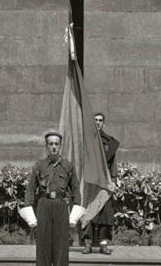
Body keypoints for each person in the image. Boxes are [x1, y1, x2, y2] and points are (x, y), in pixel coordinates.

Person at [23, 132, 82, 266]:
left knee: (61, 244)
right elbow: (30, 189)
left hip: (61, 205)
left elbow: (76, 189)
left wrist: (75, 213)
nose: (54, 147)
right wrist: (30, 214)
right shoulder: (39, 165)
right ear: (46, 146)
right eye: (51, 144)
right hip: (44, 204)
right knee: (43, 243)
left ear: (60, 146)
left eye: (56, 144)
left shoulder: (68, 166)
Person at [82, 112, 119, 255]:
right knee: (88, 212)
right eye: (95, 120)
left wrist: (114, 180)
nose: (98, 122)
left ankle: (103, 244)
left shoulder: (110, 142)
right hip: (90, 182)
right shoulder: (86, 141)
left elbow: (113, 164)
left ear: (103, 123)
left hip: (105, 182)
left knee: (105, 214)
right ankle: (88, 244)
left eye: (100, 120)